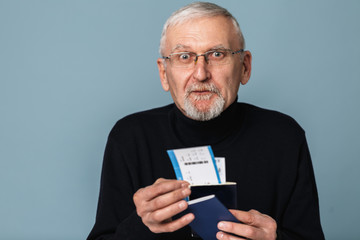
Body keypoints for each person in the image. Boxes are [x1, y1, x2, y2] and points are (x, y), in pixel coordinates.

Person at [87, 2, 325, 240]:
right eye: (184, 56)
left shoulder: (284, 137)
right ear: (163, 73)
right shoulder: (130, 137)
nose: (201, 74)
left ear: (245, 67)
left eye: (217, 54)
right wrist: (141, 224)